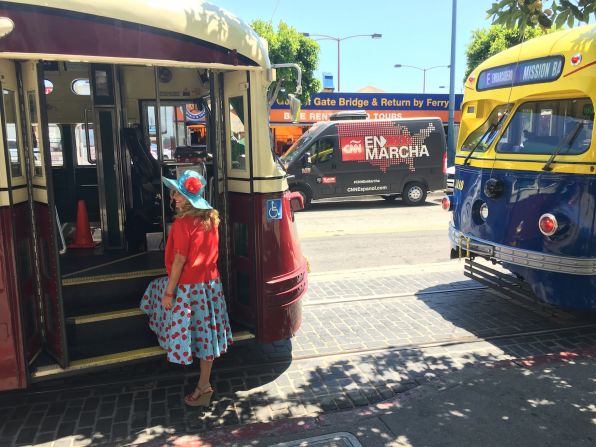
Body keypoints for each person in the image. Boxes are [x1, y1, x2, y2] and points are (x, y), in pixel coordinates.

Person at [140, 170, 232, 407]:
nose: (175, 198)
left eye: (179, 195)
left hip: (189, 288)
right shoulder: (211, 219)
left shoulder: (182, 224)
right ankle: (204, 384)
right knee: (207, 337)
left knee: (154, 292)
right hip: (210, 286)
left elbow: (180, 260)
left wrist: (169, 292)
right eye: (175, 194)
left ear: (191, 199)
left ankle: (169, 343)